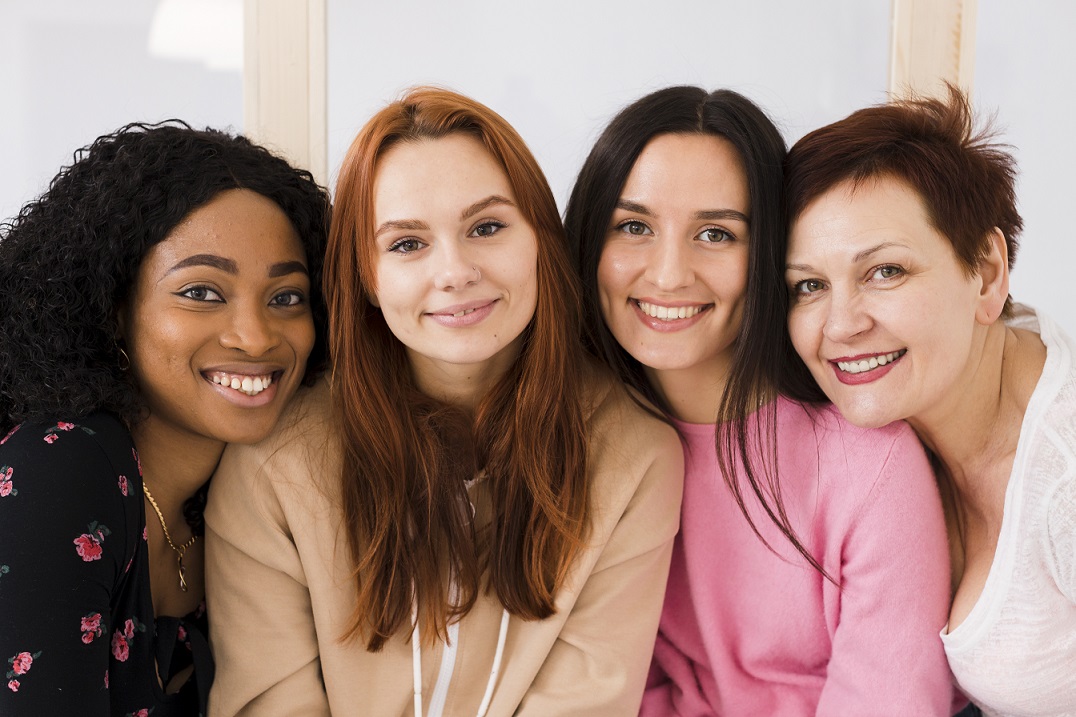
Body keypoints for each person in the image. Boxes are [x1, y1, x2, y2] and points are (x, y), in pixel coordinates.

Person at [204, 87, 683, 717]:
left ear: (540, 240)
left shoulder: (635, 454)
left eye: (486, 227)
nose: (454, 271)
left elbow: (586, 702)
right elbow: (269, 704)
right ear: (366, 278)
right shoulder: (275, 465)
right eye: (407, 244)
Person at [564, 86, 955, 715]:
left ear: (771, 252)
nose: (668, 274)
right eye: (633, 226)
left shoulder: (868, 464)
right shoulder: (583, 442)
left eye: (716, 234)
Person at [0, 121, 330, 716]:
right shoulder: (64, 467)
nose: (255, 338)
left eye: (286, 297)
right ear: (112, 306)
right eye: (202, 292)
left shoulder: (240, 491)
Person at [780, 86, 1076, 716]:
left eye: (885, 271)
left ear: (987, 273)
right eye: (808, 286)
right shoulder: (905, 411)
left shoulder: (1065, 483)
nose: (840, 324)